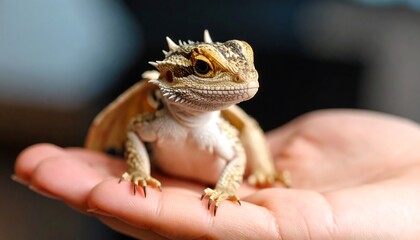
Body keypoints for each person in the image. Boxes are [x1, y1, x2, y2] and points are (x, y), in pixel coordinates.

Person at [13, 109, 420, 239]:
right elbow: (135, 132)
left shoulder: (223, 132)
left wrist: (227, 187)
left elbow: (236, 157)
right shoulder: (158, 119)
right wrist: (138, 168)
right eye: (208, 70)